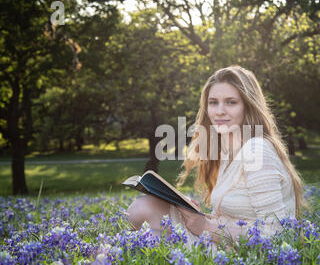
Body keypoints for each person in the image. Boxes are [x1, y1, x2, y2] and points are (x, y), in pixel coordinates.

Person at [126, 65, 307, 247]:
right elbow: (233, 216)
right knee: (142, 207)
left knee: (142, 211)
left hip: (242, 258)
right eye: (213, 102)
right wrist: (195, 213)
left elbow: (277, 234)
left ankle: (124, 263)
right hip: (220, 239)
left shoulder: (257, 150)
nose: (219, 110)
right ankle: (120, 257)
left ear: (248, 106)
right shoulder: (230, 151)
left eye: (231, 102)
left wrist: (204, 226)